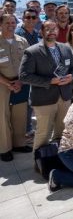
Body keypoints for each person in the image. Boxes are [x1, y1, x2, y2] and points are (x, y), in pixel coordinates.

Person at [19, 20, 73, 151]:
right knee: (43, 134)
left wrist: (71, 77)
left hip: (64, 97)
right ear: (41, 32)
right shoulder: (32, 51)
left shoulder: (66, 48)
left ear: (58, 31)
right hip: (44, 99)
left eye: (54, 29)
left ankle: (58, 157)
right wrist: (49, 81)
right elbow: (24, 76)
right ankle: (39, 160)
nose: (52, 32)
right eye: (48, 29)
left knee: (62, 131)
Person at [0, 14, 31, 162]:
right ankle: (4, 148)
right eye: (7, 23)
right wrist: (7, 83)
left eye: (13, 22)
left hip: (20, 83)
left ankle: (19, 144)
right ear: (1, 24)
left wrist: (20, 81)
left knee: (20, 115)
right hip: (2, 85)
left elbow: (29, 62)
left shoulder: (22, 41)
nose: (11, 25)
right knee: (2, 117)